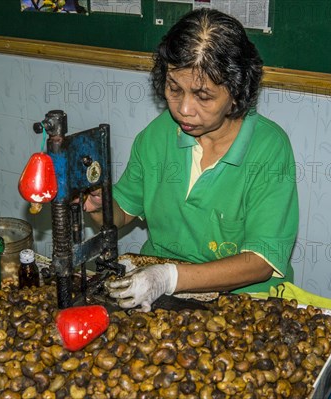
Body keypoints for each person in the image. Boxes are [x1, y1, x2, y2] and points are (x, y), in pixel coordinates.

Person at [83, 8, 299, 311]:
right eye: (174, 89)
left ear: (237, 93)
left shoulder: (268, 148)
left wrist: (169, 277)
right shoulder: (159, 134)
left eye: (204, 96)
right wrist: (98, 204)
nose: (184, 109)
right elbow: (122, 213)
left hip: (243, 301)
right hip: (162, 290)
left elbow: (260, 262)